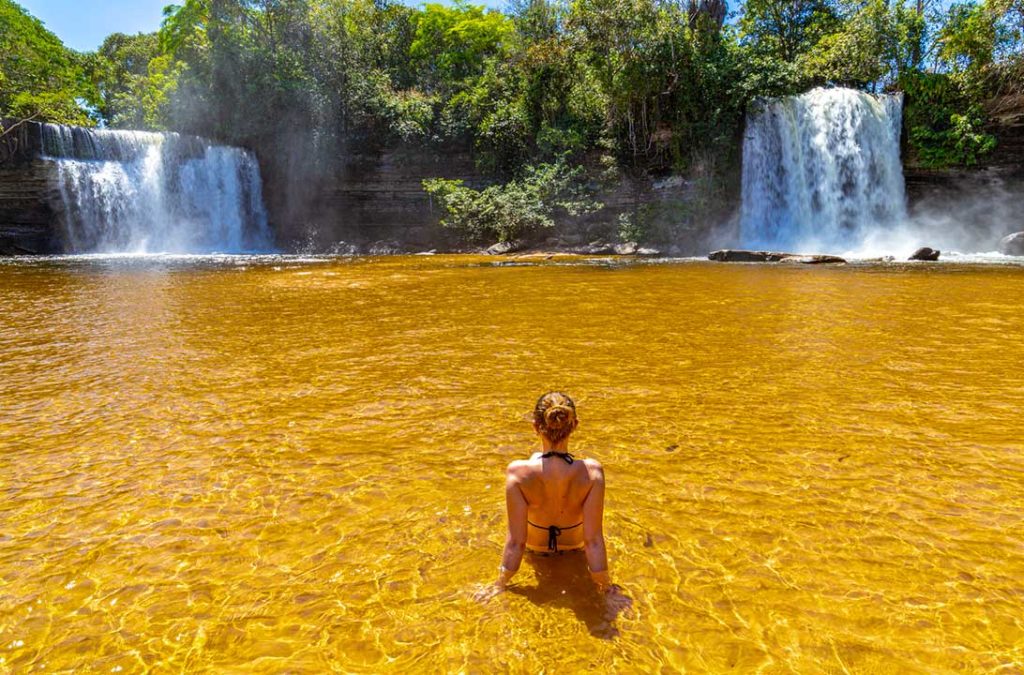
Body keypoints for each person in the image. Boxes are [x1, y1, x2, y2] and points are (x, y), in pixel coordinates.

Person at [477, 392, 628, 610]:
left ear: (535, 426)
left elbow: (516, 542)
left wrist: (499, 585)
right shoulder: (592, 472)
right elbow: (593, 540)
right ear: (574, 425)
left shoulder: (518, 472)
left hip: (536, 554)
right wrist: (606, 588)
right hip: (576, 554)